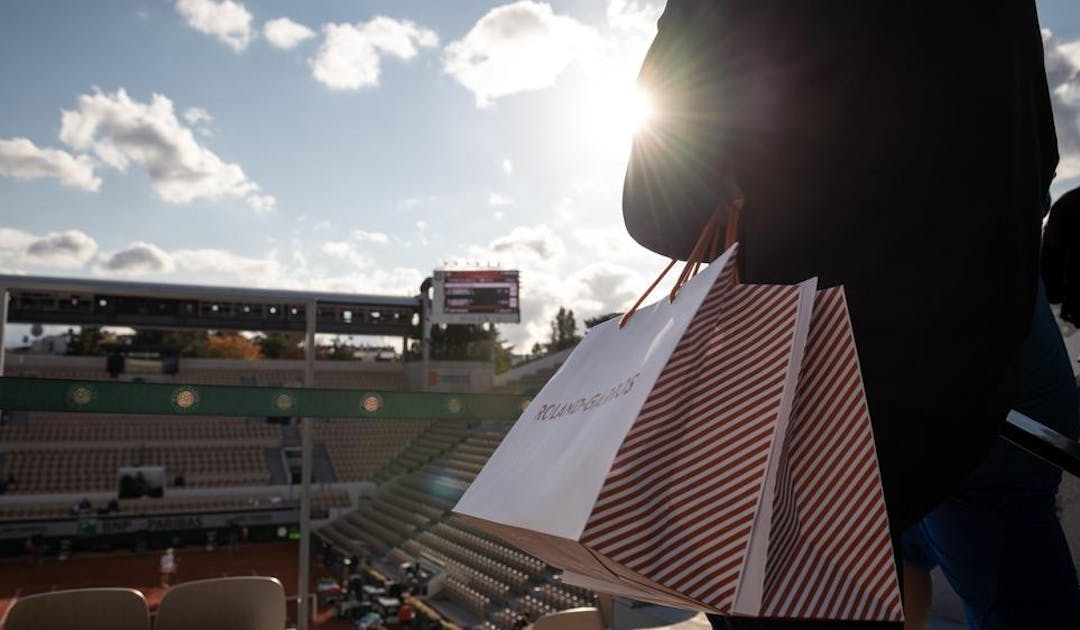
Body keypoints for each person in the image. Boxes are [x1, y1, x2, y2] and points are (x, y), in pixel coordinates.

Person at [623, 2, 1060, 628]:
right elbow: (1039, 155)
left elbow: (656, 202)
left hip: (831, 386)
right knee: (1016, 570)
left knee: (769, 579)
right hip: (990, 350)